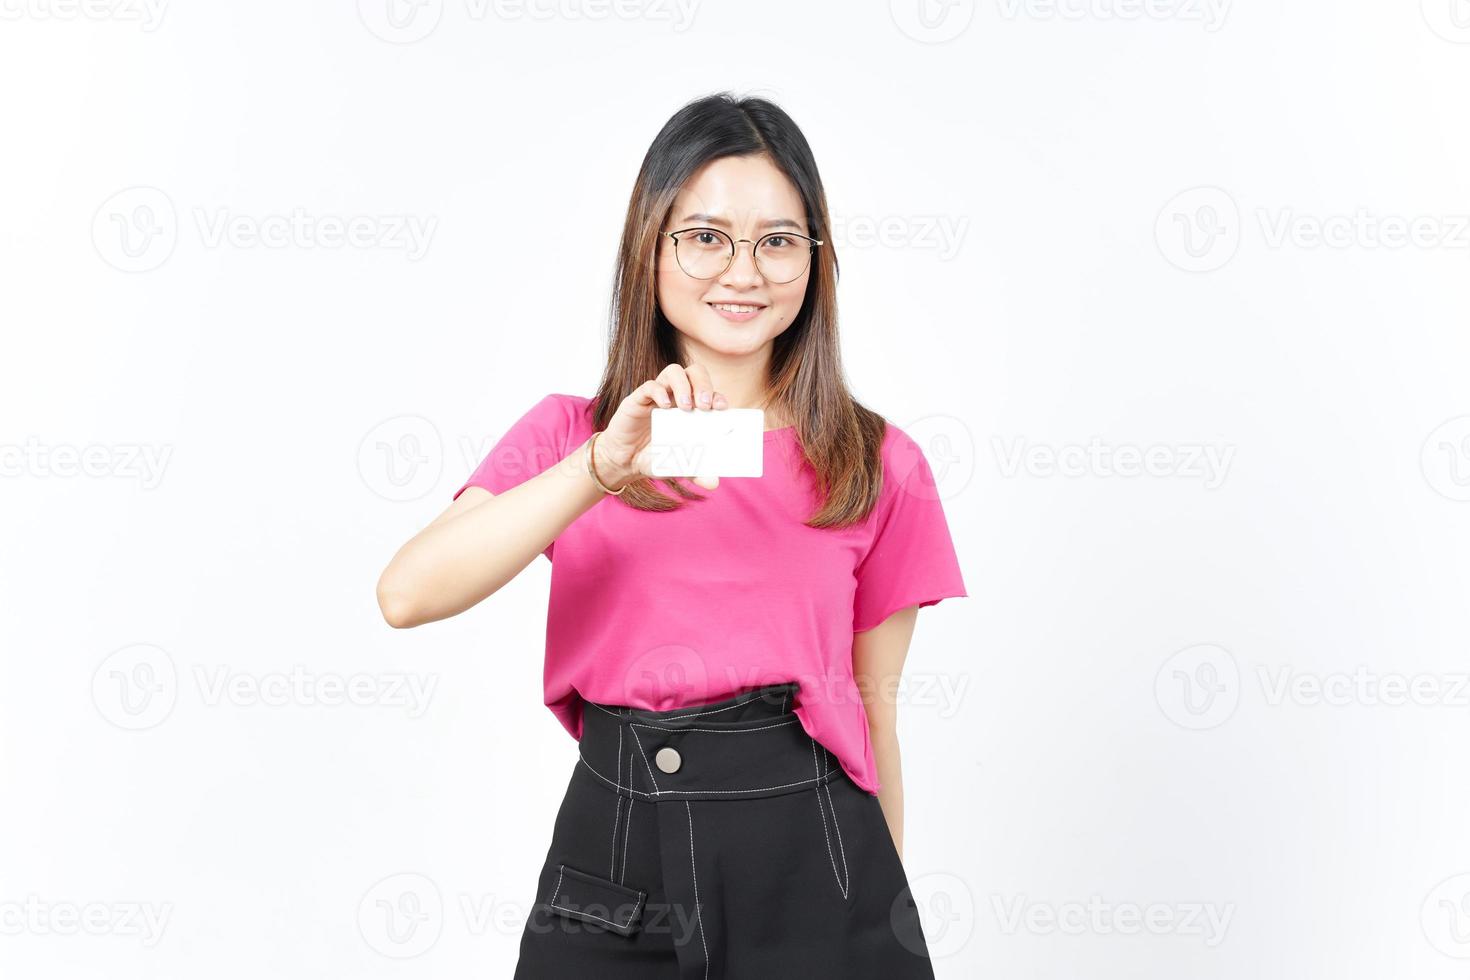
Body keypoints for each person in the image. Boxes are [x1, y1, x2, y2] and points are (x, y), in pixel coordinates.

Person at [376, 91, 967, 979]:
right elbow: (406, 593)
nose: (744, 272)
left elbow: (873, 709)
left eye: (778, 240)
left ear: (816, 259)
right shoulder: (571, 437)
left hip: (818, 866)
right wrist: (600, 472)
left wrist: (878, 909)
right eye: (705, 236)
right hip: (612, 866)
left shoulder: (878, 463)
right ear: (649, 246)